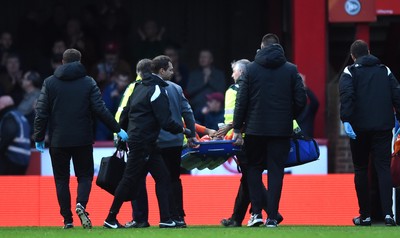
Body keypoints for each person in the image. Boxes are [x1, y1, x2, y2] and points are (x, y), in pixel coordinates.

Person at [33, 48, 128, 229]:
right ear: (80, 61)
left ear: (62, 62)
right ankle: (81, 205)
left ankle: (67, 220)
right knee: (84, 177)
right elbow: (100, 110)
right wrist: (118, 129)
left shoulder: (50, 83)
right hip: (82, 139)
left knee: (61, 180)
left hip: (58, 140)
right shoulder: (88, 82)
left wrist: (38, 136)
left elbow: (41, 112)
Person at [103, 56, 192, 229]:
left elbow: (125, 113)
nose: (173, 72)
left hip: (145, 142)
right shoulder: (156, 89)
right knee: (129, 180)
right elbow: (165, 120)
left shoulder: (138, 87)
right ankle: (110, 218)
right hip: (143, 142)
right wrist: (183, 130)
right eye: (170, 69)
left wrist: (121, 135)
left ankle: (166, 219)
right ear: (161, 71)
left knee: (164, 178)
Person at [232, 33, 306, 228]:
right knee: (276, 172)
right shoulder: (291, 70)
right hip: (281, 131)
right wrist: (289, 116)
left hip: (255, 130)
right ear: (278, 47)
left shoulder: (250, 69)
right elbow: (301, 100)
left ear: (261, 47)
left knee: (253, 169)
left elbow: (242, 101)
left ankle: (256, 213)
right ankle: (272, 217)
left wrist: (238, 128)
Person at [339, 39, 400, 226]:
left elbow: (347, 95)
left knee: (361, 169)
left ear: (352, 56)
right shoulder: (385, 70)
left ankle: (365, 216)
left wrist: (346, 119)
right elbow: (397, 95)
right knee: (383, 168)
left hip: (359, 128)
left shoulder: (349, 72)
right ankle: (388, 214)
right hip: (383, 127)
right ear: (369, 52)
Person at [218, 59, 283, 227]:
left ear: (241, 72)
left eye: (234, 71)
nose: (232, 75)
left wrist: (232, 132)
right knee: (248, 178)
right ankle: (236, 218)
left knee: (250, 176)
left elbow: (235, 115)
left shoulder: (233, 90)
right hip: (260, 135)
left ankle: (271, 211)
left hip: (240, 138)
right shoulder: (259, 87)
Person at [186, 49, 226, 119]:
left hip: (215, 111)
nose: (202, 59)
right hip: (197, 109)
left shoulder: (219, 74)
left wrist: (210, 80)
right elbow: (189, 91)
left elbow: (222, 90)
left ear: (211, 59)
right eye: (201, 57)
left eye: (205, 57)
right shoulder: (194, 74)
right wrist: (204, 82)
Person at [0, 95, 31, 175]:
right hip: (23, 159)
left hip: (11, 158)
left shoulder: (9, 116)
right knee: (15, 186)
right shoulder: (20, 116)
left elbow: (9, 134)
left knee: (4, 185)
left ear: (3, 105)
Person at [296, 73, 319, 138]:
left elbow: (315, 102)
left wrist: (304, 86)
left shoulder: (309, 109)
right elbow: (292, 122)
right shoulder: (294, 108)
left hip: (307, 139)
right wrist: (298, 133)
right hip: (296, 139)